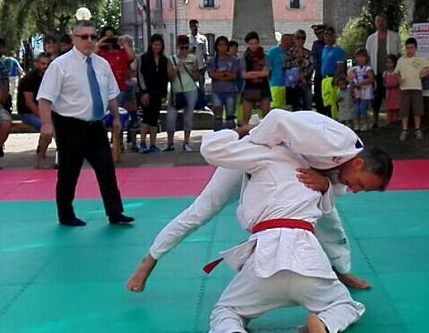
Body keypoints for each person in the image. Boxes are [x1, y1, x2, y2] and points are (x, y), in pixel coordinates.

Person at [125, 109, 392, 293]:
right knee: (203, 209)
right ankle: (149, 260)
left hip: (282, 166)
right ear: (357, 163)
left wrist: (324, 186)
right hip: (257, 150)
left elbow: (327, 199)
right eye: (359, 184)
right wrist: (252, 148)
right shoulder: (331, 142)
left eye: (361, 190)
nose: (355, 190)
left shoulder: (346, 169)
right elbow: (276, 118)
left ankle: (340, 271)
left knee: (329, 220)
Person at [190, 127, 369, 333]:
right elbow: (330, 222)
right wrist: (342, 270)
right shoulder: (316, 175)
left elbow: (212, 148)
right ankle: (324, 322)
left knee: (228, 309)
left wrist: (240, 131)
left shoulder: (260, 154)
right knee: (346, 305)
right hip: (309, 261)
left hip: (263, 261)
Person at [37, 20, 134, 227]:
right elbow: (45, 98)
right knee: (68, 172)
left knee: (106, 169)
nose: (89, 40)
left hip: (96, 124)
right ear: (74, 38)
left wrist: (116, 117)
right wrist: (46, 124)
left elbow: (110, 95)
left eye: (93, 36)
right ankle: (66, 214)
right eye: (84, 37)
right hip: (69, 125)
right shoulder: (60, 65)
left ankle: (115, 212)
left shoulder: (101, 64)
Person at [136, 35, 174, 154]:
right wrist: (144, 92)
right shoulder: (143, 58)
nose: (157, 47)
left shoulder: (165, 60)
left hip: (159, 93)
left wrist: (164, 94)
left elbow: (166, 78)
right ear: (151, 45)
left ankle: (153, 144)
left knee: (154, 119)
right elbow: (140, 76)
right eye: (155, 44)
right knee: (146, 118)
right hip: (146, 92)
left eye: (159, 44)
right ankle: (142, 143)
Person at [396, 38, 429, 140]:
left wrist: (425, 73)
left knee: (417, 110)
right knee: (404, 110)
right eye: (407, 48)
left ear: (415, 48)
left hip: (417, 88)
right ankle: (404, 130)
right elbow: (396, 72)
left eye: (411, 48)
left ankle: (417, 129)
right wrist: (399, 78)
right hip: (405, 88)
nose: (409, 50)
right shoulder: (401, 60)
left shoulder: (420, 59)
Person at [365, 14, 402, 127]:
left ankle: (392, 121)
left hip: (391, 72)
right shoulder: (371, 38)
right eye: (378, 21)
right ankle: (375, 121)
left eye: (383, 20)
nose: (380, 23)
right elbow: (367, 56)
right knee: (376, 98)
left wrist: (398, 71)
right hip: (376, 72)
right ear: (375, 23)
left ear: (386, 22)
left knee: (392, 97)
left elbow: (399, 54)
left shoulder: (395, 36)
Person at [18, 53, 53, 169]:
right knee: (47, 129)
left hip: (47, 111)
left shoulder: (50, 77)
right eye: (43, 64)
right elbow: (30, 103)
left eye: (48, 64)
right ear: (36, 64)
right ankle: (41, 157)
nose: (46, 66)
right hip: (28, 113)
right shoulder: (29, 79)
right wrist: (45, 118)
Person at [165, 36, 199, 151]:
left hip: (191, 90)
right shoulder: (171, 59)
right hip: (176, 91)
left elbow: (196, 78)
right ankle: (170, 143)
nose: (183, 50)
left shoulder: (193, 58)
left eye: (186, 48)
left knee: (188, 117)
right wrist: (176, 68)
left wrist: (194, 69)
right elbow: (170, 77)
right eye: (181, 48)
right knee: (170, 117)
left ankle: (186, 142)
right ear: (177, 47)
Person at [207, 36, 240, 131]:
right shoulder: (212, 60)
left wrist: (220, 75)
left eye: (225, 44)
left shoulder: (234, 60)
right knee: (217, 118)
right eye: (220, 45)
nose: (223, 47)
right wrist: (225, 74)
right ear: (216, 46)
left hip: (230, 91)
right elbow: (211, 74)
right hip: (217, 91)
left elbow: (234, 76)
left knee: (230, 117)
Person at [241, 32, 272, 121]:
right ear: (248, 44)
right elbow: (244, 75)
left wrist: (251, 73)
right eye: (251, 44)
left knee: (266, 116)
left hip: (263, 86)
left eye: (255, 43)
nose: (253, 46)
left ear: (258, 43)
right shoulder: (244, 58)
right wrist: (258, 73)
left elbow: (266, 73)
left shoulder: (265, 57)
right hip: (249, 87)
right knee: (246, 117)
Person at [284, 30, 314, 111]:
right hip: (292, 86)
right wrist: (297, 77)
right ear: (294, 39)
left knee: (307, 109)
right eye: (298, 38)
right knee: (294, 110)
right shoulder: (289, 53)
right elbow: (285, 68)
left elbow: (311, 67)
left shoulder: (309, 53)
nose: (301, 40)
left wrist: (303, 76)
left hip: (306, 84)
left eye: (303, 38)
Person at [319, 27, 346, 119]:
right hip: (324, 79)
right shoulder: (324, 49)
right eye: (326, 35)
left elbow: (340, 67)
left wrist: (335, 79)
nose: (328, 38)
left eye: (330, 35)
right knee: (326, 102)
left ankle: (335, 120)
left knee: (332, 103)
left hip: (332, 78)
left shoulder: (337, 50)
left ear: (334, 36)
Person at [0, 37, 22, 111]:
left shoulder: (7, 60)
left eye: (0, 48)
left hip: (2, 90)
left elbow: (5, 74)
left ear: (4, 49)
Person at [348, 48, 375, 131]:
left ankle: (365, 123)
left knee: (363, 107)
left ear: (366, 58)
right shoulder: (354, 69)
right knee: (357, 108)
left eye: (362, 56)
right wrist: (352, 87)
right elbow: (351, 79)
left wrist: (361, 83)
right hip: (357, 92)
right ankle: (357, 124)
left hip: (366, 91)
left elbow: (371, 79)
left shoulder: (368, 68)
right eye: (358, 56)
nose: (360, 59)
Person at [267, 31, 291, 109]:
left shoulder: (292, 52)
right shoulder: (273, 52)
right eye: (290, 41)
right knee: (277, 109)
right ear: (284, 41)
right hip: (277, 85)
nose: (292, 43)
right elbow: (267, 66)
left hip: (290, 86)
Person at [311, 24, 328, 115]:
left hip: (329, 75)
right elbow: (315, 60)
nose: (319, 36)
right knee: (319, 98)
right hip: (319, 75)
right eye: (317, 34)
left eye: (320, 34)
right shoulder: (316, 45)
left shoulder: (330, 45)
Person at [383, 54, 401, 124]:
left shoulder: (397, 72)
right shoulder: (385, 73)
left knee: (395, 108)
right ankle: (388, 122)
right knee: (389, 108)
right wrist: (386, 85)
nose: (389, 64)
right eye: (387, 62)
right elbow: (384, 82)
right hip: (389, 93)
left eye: (391, 62)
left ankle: (395, 122)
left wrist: (393, 85)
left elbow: (399, 82)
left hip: (396, 93)